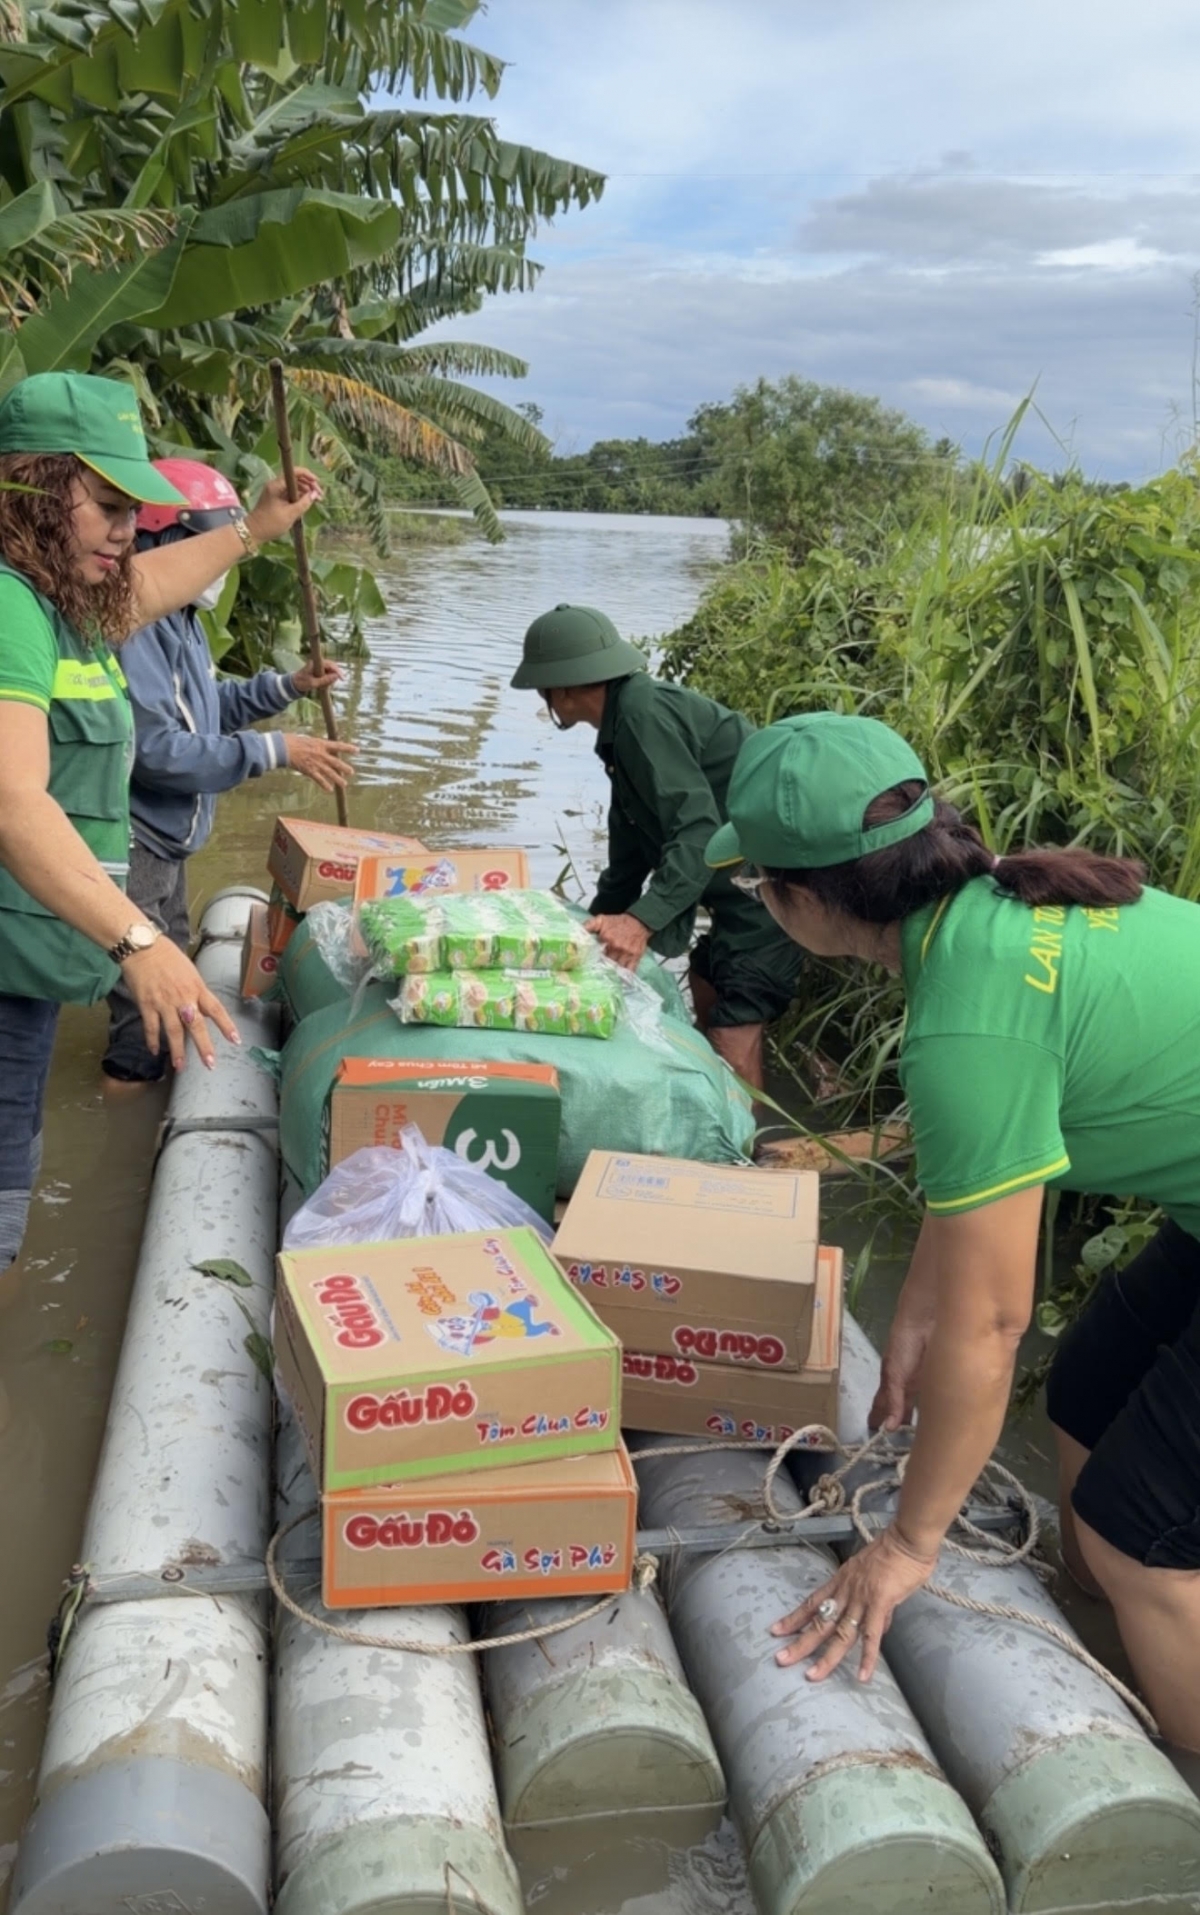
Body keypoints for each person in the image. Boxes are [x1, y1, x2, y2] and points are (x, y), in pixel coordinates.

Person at [704, 710, 1200, 1753]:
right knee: (1088, 1389)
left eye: (754, 887)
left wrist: (910, 1543)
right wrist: (918, 1316)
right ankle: (1103, 1639)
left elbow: (997, 1324)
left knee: (1137, 1527)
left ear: (800, 899)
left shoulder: (967, 1014)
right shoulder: (999, 900)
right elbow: (978, 1194)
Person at [0, 370, 321, 1267]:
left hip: (23, 970)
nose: (126, 526)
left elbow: (153, 582)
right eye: (104, 502)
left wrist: (255, 530)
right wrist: (140, 942)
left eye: (133, 506)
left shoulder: (63, 611)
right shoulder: (7, 609)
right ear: (25, 489)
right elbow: (11, 799)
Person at [102, 458, 355, 1087]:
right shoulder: (136, 628)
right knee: (145, 1007)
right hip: (137, 840)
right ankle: (121, 1109)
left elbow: (210, 711)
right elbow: (158, 751)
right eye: (205, 544)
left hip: (171, 842)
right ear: (160, 542)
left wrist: (286, 685)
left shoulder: (182, 621)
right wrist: (273, 752)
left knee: (171, 979)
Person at [510, 603, 804, 1090]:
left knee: (734, 1028)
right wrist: (592, 928)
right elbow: (630, 849)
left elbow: (697, 829)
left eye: (543, 689)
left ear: (560, 687)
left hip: (772, 884)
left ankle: (745, 1156)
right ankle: (729, 1119)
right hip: (737, 885)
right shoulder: (622, 726)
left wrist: (640, 922)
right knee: (705, 979)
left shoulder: (643, 717)